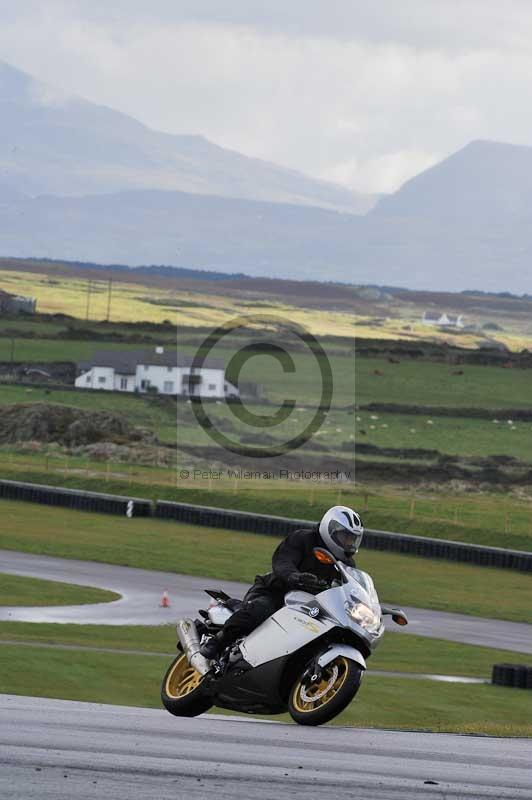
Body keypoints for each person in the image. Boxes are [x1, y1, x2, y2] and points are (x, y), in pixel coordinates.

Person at [200, 505, 364, 660]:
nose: (349, 543)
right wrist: (296, 577)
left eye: (352, 539)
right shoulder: (303, 539)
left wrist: (373, 608)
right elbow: (282, 562)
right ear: (331, 530)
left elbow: (352, 591)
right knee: (260, 609)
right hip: (275, 593)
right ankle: (217, 641)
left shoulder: (347, 565)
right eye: (345, 537)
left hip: (310, 609)